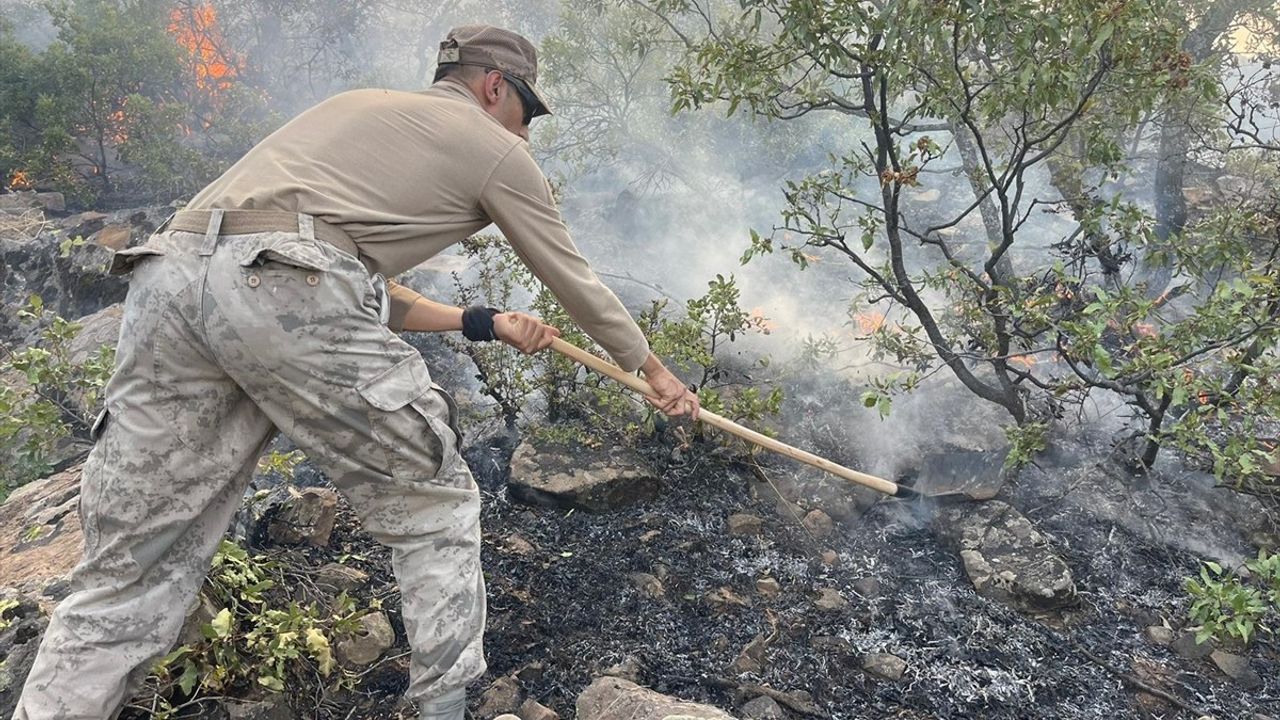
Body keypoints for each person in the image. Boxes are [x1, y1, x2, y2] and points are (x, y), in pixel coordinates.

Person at [13, 24, 699, 720]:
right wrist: (655, 374)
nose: (527, 134)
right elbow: (573, 279)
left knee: (127, 573)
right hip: (280, 283)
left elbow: (313, 266)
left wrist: (480, 322)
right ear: (496, 87)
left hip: (169, 277)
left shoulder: (356, 114)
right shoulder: (496, 148)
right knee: (436, 501)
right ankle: (443, 709)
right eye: (527, 113)